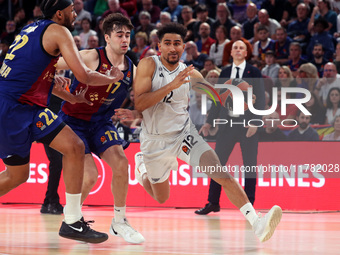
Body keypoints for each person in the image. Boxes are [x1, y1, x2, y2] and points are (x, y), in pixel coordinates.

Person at [133, 23, 281, 243]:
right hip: (154, 141)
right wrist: (172, 85)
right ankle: (142, 168)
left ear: (183, 46)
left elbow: (215, 97)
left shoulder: (191, 73)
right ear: (159, 46)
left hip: (184, 135)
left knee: (220, 172)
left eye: (177, 43)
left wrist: (244, 100)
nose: (172, 48)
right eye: (167, 43)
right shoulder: (148, 66)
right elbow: (140, 103)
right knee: (161, 197)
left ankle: (256, 222)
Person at [0, 0, 124, 243]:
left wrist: (71, 96)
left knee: (74, 147)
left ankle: (72, 221)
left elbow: (42, 78)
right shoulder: (59, 30)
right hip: (13, 108)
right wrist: (111, 78)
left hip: (25, 106)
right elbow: (84, 75)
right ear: (59, 13)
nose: (76, 14)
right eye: (72, 10)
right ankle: (72, 220)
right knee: (17, 176)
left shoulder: (33, 28)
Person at [56, 13, 144, 244]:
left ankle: (119, 221)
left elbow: (145, 101)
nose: (125, 40)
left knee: (122, 164)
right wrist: (55, 78)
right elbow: (51, 64)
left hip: (101, 123)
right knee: (91, 175)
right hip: (72, 122)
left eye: (127, 35)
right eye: (119, 35)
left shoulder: (132, 70)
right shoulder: (89, 56)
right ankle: (72, 219)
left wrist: (137, 113)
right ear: (107, 37)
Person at [196, 40, 265, 214]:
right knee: (217, 165)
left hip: (247, 125)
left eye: (242, 48)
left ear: (246, 53)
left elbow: (262, 100)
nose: (238, 50)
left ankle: (249, 205)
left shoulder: (254, 71)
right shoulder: (225, 72)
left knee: (249, 165)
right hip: (227, 125)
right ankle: (213, 202)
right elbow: (217, 99)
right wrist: (209, 122)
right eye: (235, 47)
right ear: (231, 52)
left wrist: (255, 122)